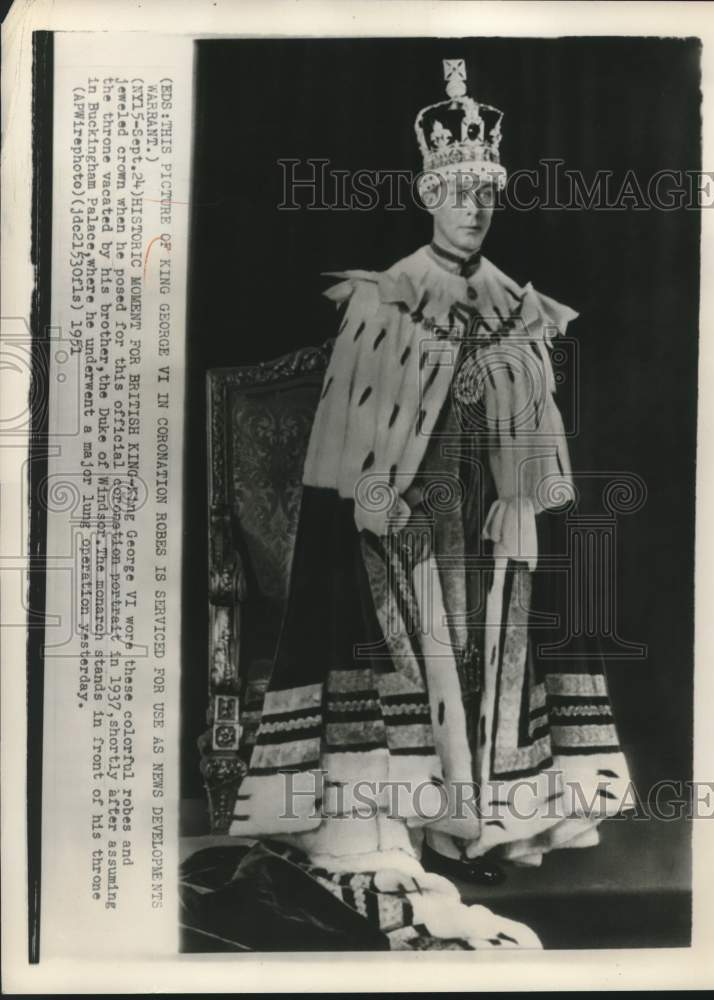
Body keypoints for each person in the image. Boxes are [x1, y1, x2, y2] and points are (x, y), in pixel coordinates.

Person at [228, 59, 631, 950]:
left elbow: (536, 424)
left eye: (483, 194)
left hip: (486, 532)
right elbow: (350, 423)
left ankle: (468, 829)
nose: (472, 209)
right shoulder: (387, 297)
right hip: (404, 532)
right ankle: (380, 839)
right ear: (429, 195)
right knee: (413, 675)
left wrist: (523, 491)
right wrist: (380, 498)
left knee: (494, 669)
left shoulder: (514, 305)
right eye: (455, 193)